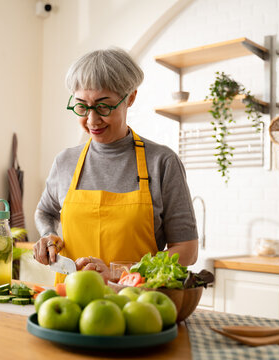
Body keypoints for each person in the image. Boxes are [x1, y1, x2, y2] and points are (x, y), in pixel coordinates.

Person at [32, 47, 198, 284]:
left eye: (103, 106)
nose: (92, 120)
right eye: (82, 106)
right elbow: (45, 211)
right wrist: (48, 236)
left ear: (130, 97)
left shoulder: (162, 162)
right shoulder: (65, 161)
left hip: (137, 304)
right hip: (69, 304)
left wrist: (121, 271)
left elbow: (187, 251)